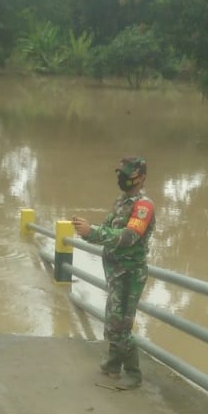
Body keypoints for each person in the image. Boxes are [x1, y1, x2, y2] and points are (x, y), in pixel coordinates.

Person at [71, 156, 155, 390]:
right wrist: (87, 230)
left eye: (127, 175)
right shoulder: (122, 202)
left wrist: (94, 233)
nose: (122, 178)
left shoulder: (143, 206)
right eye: (120, 173)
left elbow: (129, 237)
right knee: (113, 319)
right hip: (116, 272)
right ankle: (113, 363)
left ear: (141, 178)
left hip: (130, 274)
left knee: (121, 324)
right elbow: (108, 226)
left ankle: (133, 372)